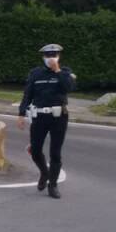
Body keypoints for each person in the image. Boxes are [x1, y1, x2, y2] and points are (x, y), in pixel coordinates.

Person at [18, 43, 76, 199]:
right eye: (48, 55)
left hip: (59, 117)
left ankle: (53, 185)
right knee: (35, 150)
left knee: (55, 153)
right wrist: (21, 114)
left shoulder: (65, 73)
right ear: (43, 57)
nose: (51, 58)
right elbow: (27, 94)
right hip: (39, 116)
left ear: (59, 56)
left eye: (54, 55)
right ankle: (45, 172)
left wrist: (57, 70)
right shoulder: (35, 74)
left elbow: (69, 88)